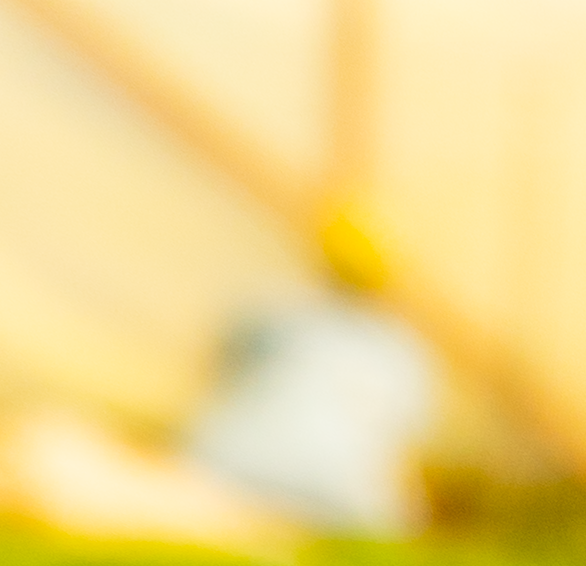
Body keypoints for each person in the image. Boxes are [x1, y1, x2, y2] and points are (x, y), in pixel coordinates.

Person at [181, 221, 440, 539]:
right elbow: (403, 452)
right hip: (341, 498)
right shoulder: (403, 355)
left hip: (239, 462)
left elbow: (218, 370)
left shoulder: (276, 312)